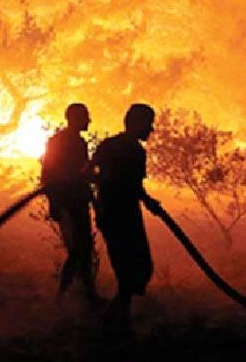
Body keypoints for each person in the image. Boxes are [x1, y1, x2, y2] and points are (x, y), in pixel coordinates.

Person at [91, 103, 162, 325]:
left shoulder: (110, 145)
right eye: (148, 124)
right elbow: (132, 186)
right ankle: (113, 322)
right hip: (123, 216)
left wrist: (98, 201)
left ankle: (119, 319)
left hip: (114, 214)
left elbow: (88, 171)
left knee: (131, 270)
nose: (151, 130)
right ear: (137, 123)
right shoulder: (133, 151)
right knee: (133, 271)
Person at [41, 102, 100, 302]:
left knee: (84, 249)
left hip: (78, 202)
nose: (89, 121)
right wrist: (56, 203)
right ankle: (64, 295)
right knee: (78, 249)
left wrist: (92, 198)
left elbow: (82, 175)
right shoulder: (58, 142)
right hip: (67, 203)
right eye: (85, 117)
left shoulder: (79, 143)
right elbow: (48, 175)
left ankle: (86, 294)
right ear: (74, 118)